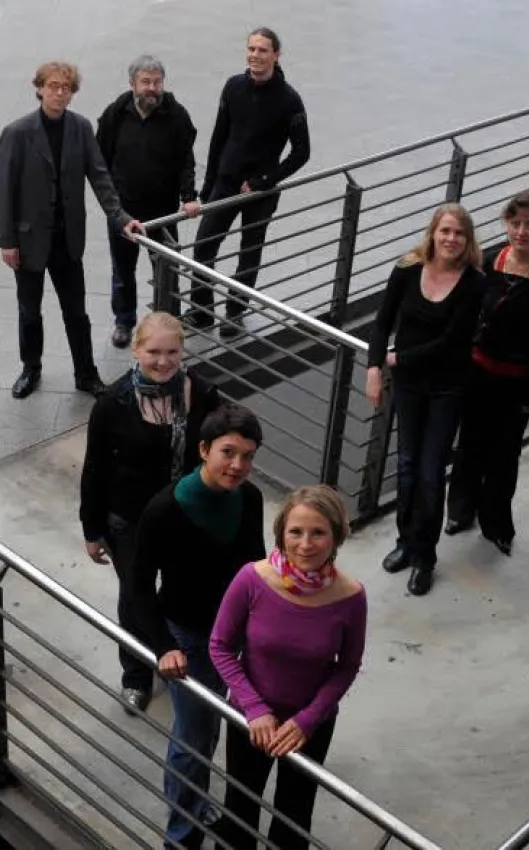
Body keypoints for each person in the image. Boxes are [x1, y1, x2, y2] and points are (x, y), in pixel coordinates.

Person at [133, 405, 266, 849]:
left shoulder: (249, 499)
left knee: (211, 730)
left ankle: (195, 804)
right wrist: (164, 646)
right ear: (204, 450)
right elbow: (138, 587)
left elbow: (255, 564)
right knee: (193, 735)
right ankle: (181, 835)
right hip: (189, 636)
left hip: (237, 635)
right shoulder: (164, 510)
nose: (238, 466)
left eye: (248, 456)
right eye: (228, 453)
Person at [209, 485, 367, 849]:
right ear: (281, 533)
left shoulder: (351, 596)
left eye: (318, 532)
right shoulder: (251, 578)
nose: (306, 544)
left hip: (310, 726)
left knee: (294, 814)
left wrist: (307, 720)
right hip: (252, 721)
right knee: (240, 806)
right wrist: (254, 708)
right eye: (296, 532)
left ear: (336, 536)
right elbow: (219, 646)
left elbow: (348, 665)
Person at [79, 312, 221, 712]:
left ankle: (169, 654)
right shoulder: (113, 403)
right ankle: (136, 674)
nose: (163, 361)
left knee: (179, 593)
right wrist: (92, 530)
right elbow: (95, 470)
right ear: (137, 349)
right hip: (129, 522)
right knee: (135, 599)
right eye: (153, 352)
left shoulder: (203, 395)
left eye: (172, 352)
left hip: (184, 519)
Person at [0, 61, 143, 400]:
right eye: (53, 86)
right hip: (29, 240)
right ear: (40, 88)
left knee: (76, 312)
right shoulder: (17, 133)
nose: (60, 93)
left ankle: (86, 373)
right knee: (29, 311)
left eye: (66, 88)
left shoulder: (80, 128)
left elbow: (100, 176)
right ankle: (31, 368)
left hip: (67, 239)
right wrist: (7, 240)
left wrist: (120, 217)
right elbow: (4, 189)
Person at [365, 203, 485, 596]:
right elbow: (382, 322)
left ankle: (424, 557)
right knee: (406, 466)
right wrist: (373, 368)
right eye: (445, 231)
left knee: (431, 473)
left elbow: (452, 343)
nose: (451, 239)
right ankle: (405, 541)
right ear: (432, 232)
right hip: (409, 386)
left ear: (467, 241)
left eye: (459, 234)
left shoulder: (473, 283)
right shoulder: (406, 269)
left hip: (447, 386)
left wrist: (397, 359)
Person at [445, 190, 529, 555]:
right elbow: (467, 315)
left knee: (504, 454)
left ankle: (496, 524)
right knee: (469, 446)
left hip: (517, 382)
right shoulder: (489, 261)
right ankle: (460, 512)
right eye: (514, 223)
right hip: (479, 374)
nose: (520, 231)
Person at [188, 27, 310, 338]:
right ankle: (201, 312)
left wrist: (266, 180)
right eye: (252, 49)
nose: (255, 55)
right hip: (225, 184)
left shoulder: (289, 100)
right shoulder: (233, 87)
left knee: (249, 253)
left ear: (276, 55)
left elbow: (302, 152)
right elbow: (218, 138)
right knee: (203, 248)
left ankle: (234, 313)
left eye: (263, 50)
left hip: (261, 191)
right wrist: (208, 186)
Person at [95, 56, 201, 348]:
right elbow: (99, 161)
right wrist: (112, 205)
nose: (152, 88)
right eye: (146, 82)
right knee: (122, 270)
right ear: (132, 84)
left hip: (162, 211)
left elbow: (185, 160)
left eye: (157, 82)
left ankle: (168, 321)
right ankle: (124, 321)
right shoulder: (115, 114)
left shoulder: (176, 115)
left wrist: (188, 196)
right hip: (124, 212)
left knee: (167, 268)